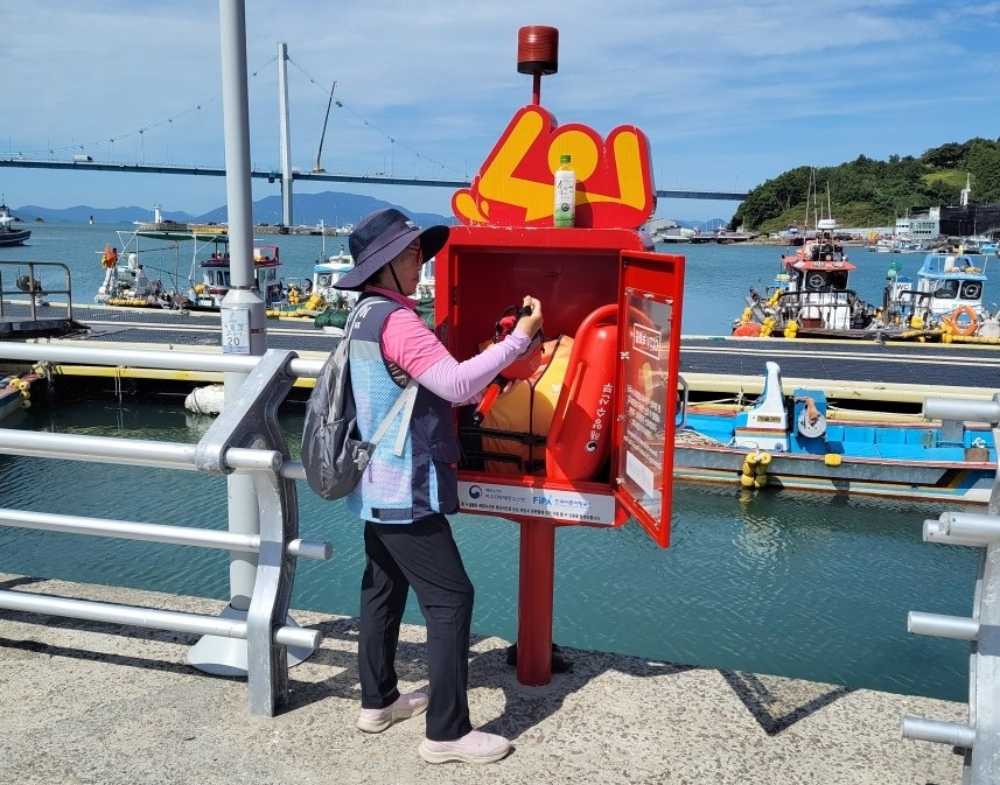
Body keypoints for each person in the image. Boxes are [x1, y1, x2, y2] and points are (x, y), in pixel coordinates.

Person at [331, 208, 542, 765]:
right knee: (452, 599)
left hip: (373, 482)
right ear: (384, 267)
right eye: (407, 254)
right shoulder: (399, 322)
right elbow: (453, 385)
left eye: (418, 250)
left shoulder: (365, 315)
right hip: (406, 484)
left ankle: (378, 702)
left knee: (382, 590)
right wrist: (518, 340)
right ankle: (446, 732)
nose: (418, 260)